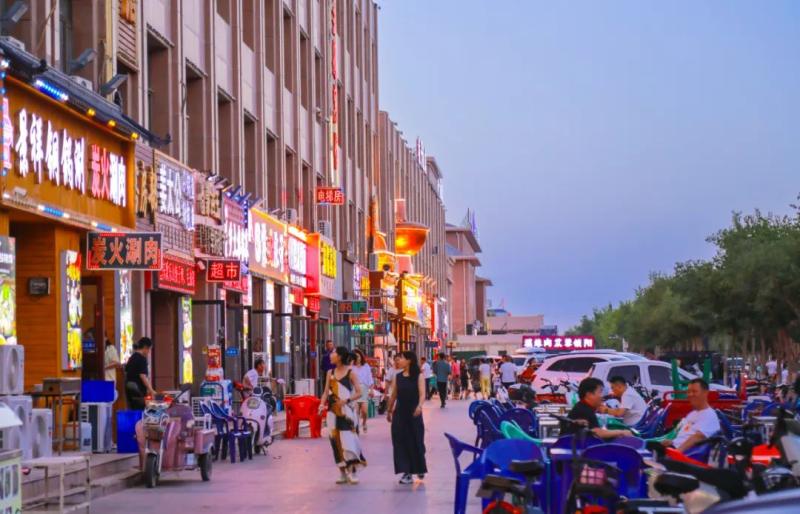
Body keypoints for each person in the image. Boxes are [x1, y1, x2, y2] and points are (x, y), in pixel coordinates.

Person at [319, 346, 366, 484]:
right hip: (332, 412)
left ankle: (352, 471)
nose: (331, 355)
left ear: (339, 356)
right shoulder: (330, 372)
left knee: (349, 441)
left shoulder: (351, 373)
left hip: (347, 413)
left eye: (333, 353)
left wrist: (346, 400)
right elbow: (326, 392)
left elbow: (359, 392)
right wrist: (321, 404)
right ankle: (342, 472)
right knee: (335, 441)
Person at [386, 351, 428, 485]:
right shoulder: (397, 377)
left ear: (409, 360)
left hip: (414, 413)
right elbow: (394, 395)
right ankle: (407, 472)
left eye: (401, 358)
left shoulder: (419, 376)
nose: (398, 361)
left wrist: (419, 406)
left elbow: (422, 394)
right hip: (400, 413)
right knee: (400, 442)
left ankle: (419, 467)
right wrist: (389, 410)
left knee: (416, 441)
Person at [560, 377, 632, 439]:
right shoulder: (584, 410)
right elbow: (597, 432)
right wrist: (621, 432)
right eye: (600, 392)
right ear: (589, 395)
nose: (602, 396)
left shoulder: (584, 407)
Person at [661, 378, 721, 453]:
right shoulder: (693, 414)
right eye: (688, 392)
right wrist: (672, 441)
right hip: (672, 447)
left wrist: (676, 452)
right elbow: (685, 434)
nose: (690, 394)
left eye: (694, 391)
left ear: (705, 393)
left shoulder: (709, 415)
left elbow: (698, 437)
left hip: (682, 453)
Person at [124, 337, 156, 410]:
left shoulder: (132, 358)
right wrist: (151, 390)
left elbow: (126, 372)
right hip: (139, 392)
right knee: (141, 412)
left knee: (134, 411)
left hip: (129, 393)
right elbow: (143, 376)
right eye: (149, 349)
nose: (149, 352)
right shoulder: (142, 359)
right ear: (145, 347)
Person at [352, 349, 374, 432]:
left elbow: (370, 379)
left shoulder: (366, 366)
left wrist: (371, 390)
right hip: (355, 389)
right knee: (356, 411)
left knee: (364, 411)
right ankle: (356, 427)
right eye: (355, 357)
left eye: (358, 356)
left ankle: (364, 422)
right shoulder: (351, 367)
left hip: (364, 389)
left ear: (361, 356)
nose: (357, 358)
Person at [103, 336, 121, 401]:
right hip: (98, 381)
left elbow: (116, 363)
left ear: (106, 338)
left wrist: (103, 367)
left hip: (109, 379)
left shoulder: (111, 348)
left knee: (107, 402)